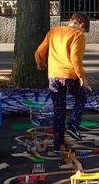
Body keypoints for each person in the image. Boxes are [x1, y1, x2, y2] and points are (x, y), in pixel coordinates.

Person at [34, 12, 90, 149]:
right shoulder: (78, 35)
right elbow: (75, 59)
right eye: (84, 30)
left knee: (58, 111)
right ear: (81, 25)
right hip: (69, 75)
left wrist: (41, 64)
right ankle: (73, 124)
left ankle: (58, 145)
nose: (84, 33)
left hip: (53, 76)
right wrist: (82, 77)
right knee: (81, 97)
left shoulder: (53, 32)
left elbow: (39, 52)